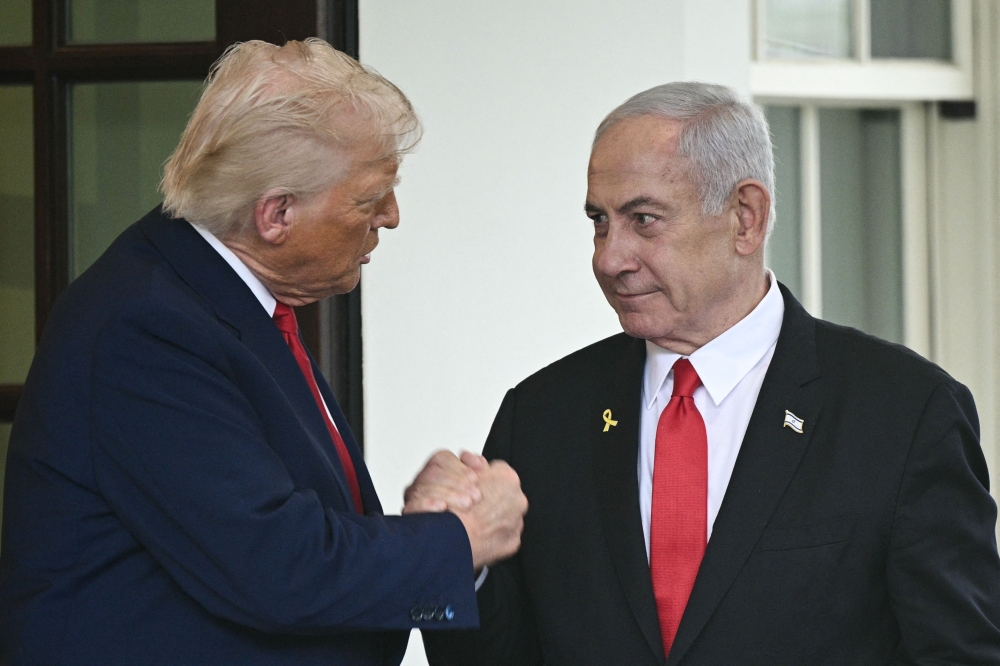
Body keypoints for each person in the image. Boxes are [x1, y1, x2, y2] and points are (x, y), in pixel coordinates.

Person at [422, 82, 1000, 665]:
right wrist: (453, 559)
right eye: (600, 221)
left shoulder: (903, 414)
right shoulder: (544, 414)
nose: (607, 257)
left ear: (745, 218)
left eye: (643, 219)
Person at [0, 39, 527, 666]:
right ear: (276, 214)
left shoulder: (214, 297)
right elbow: (277, 566)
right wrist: (458, 541)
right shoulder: (146, 324)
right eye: (368, 198)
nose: (390, 216)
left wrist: (423, 531)